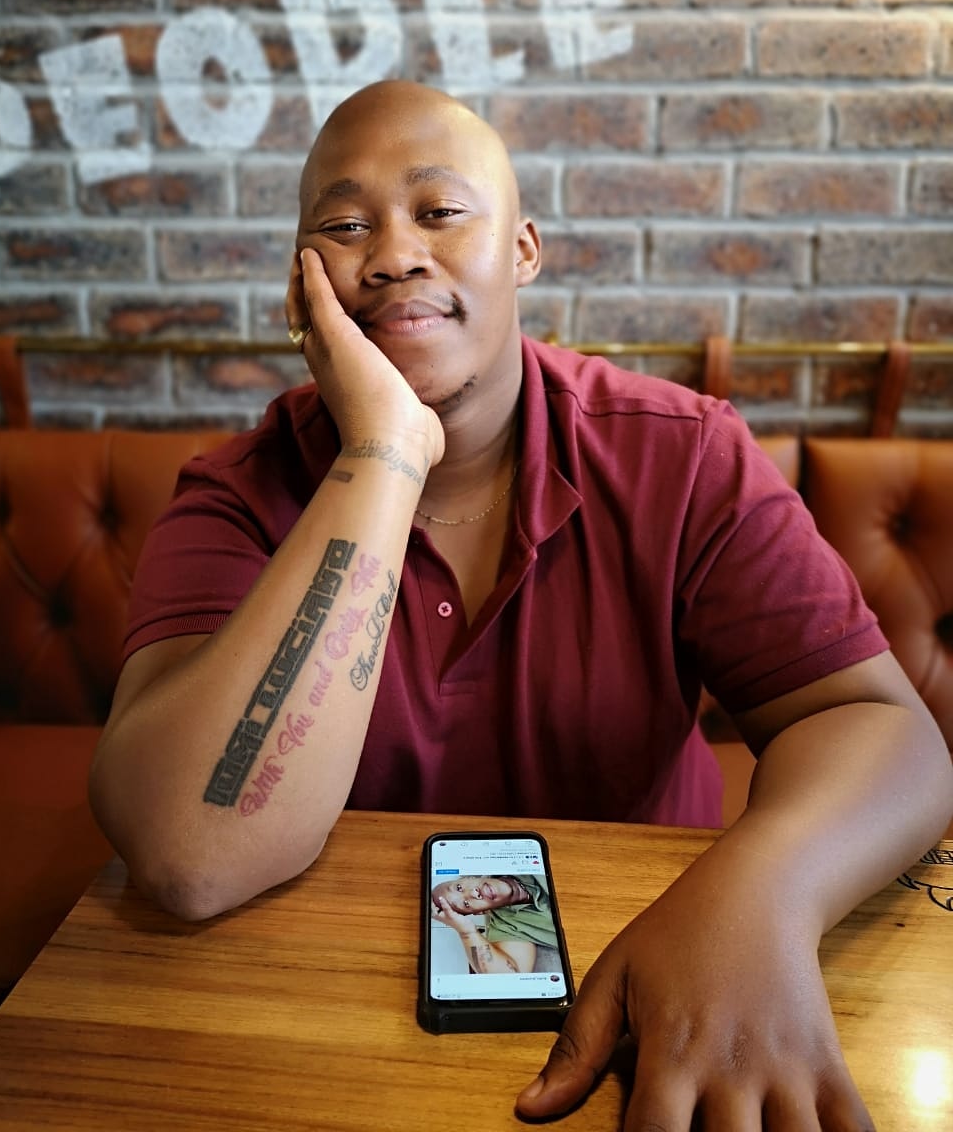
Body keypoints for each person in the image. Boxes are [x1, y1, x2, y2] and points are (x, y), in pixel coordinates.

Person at [89, 79, 953, 1129]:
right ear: (301, 283)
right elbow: (190, 853)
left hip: (668, 960)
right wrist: (385, 452)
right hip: (325, 1009)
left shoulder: (682, 454)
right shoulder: (236, 494)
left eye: (440, 211)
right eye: (346, 227)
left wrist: (759, 897)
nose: (394, 254)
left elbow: (879, 728)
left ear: (525, 251)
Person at [431, 874, 559, 974]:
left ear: (468, 878)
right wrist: (466, 931)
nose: (473, 893)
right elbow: (510, 977)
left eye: (459, 888)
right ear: (480, 912)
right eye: (466, 904)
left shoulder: (511, 861)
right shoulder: (505, 926)